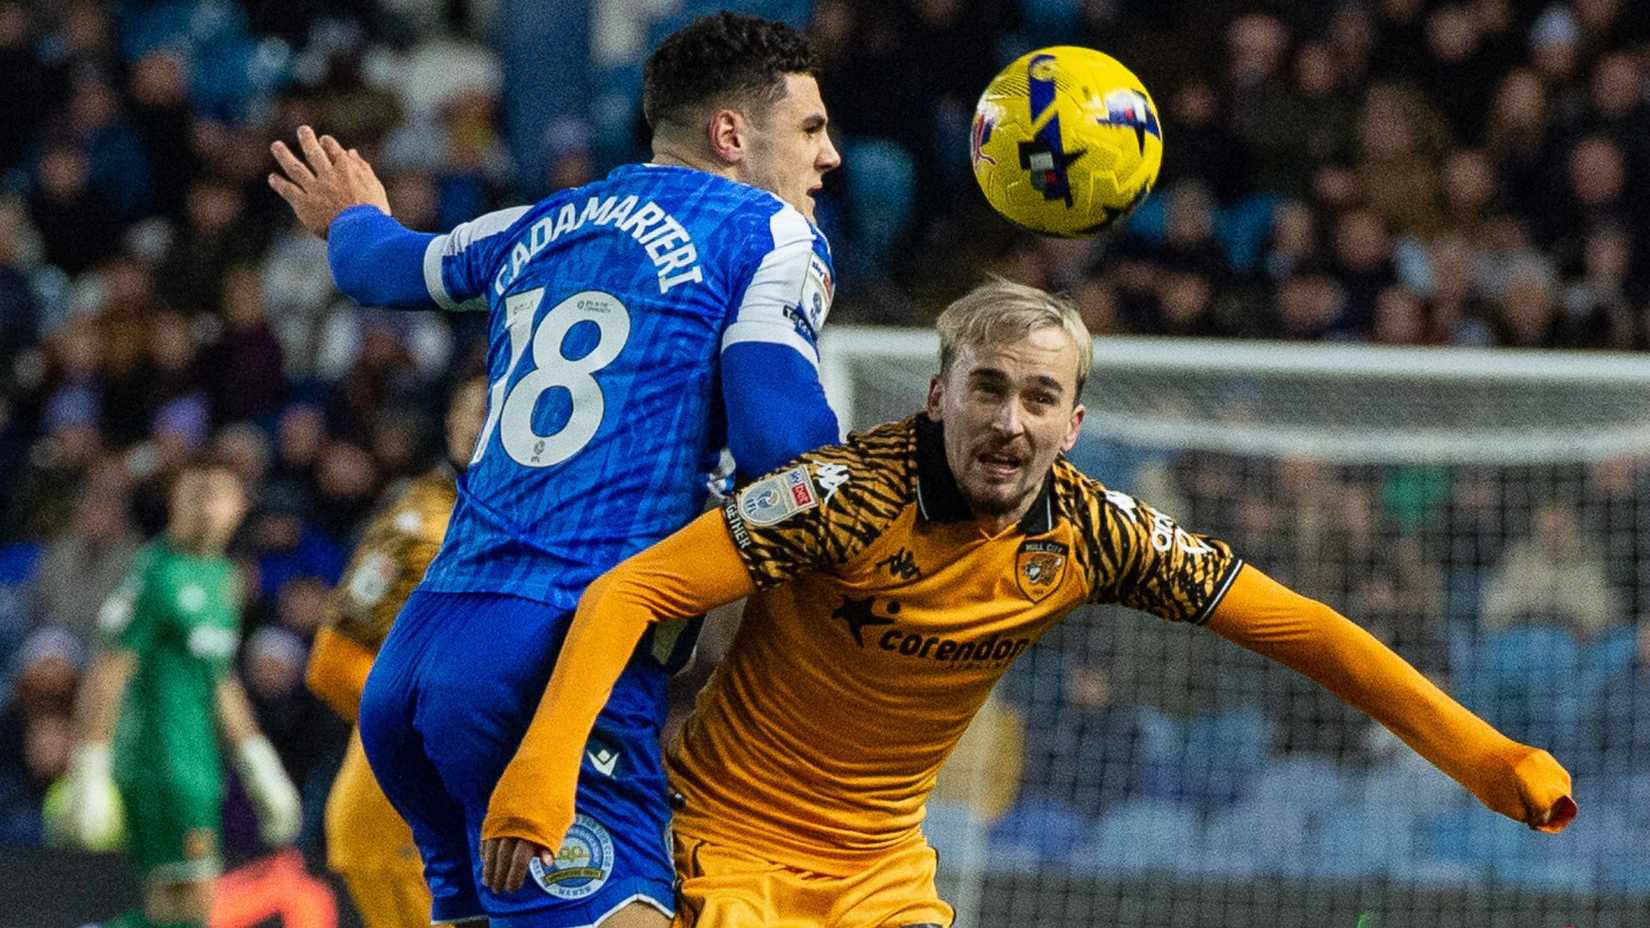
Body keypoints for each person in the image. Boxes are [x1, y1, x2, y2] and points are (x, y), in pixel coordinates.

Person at [481, 279, 1577, 926]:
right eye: (988, 388)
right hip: (730, 848)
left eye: (1039, 397)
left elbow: (1307, 630)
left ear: (1074, 424)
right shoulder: (844, 496)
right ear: (937, 396)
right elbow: (634, 591)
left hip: (883, 876)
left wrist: (1483, 755)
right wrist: (543, 764)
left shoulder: (1095, 533)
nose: (1010, 420)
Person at [267, 12, 843, 927]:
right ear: (732, 135)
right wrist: (859, 491)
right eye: (812, 128)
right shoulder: (767, 233)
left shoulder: (546, 218)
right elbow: (785, 440)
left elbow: (384, 266)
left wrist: (349, 216)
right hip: (553, 669)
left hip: (418, 661)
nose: (831, 157)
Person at [57, 459, 302, 928]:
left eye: (217, 495)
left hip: (199, 762)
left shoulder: (225, 579)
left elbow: (220, 679)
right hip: (158, 760)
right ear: (175, 502)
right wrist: (89, 763)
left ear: (239, 506)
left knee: (179, 911)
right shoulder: (154, 572)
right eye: (195, 494)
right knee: (191, 907)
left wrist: (259, 765)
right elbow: (109, 668)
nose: (205, 507)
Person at [303, 376, 485, 928]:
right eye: (479, 410)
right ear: (451, 426)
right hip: (399, 819)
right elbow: (333, 662)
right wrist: (421, 736)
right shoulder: (420, 526)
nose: (494, 420)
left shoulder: (511, 517)